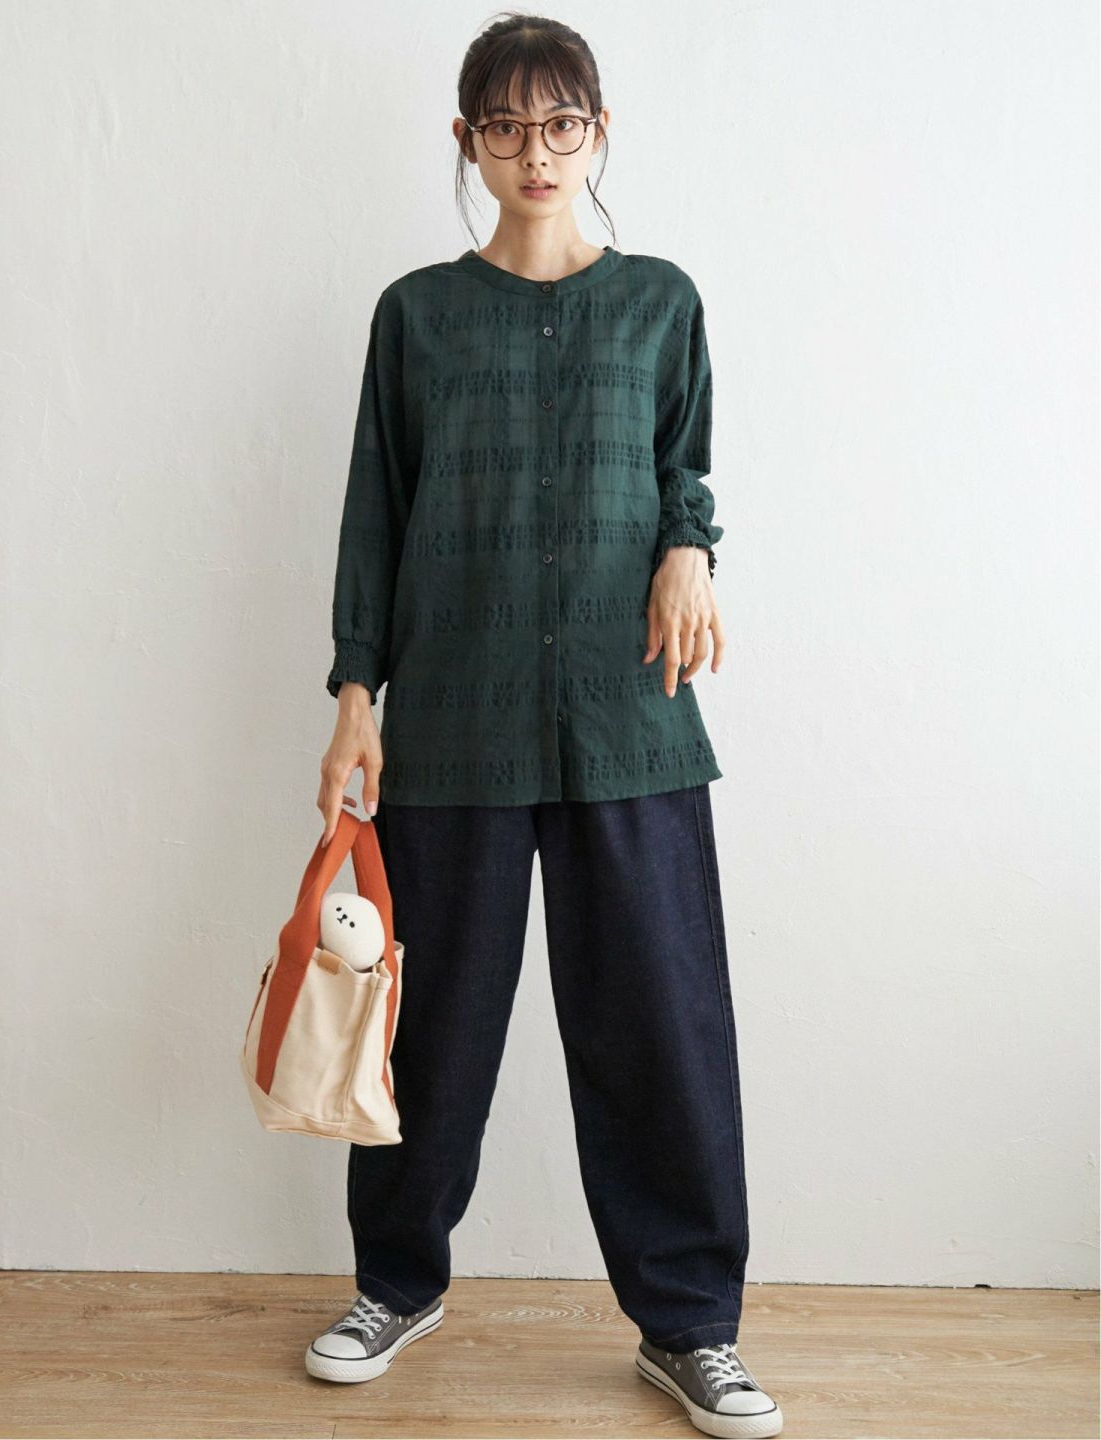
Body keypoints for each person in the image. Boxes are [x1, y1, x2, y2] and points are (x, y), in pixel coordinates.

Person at [303, 14, 783, 1437]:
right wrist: (354, 696)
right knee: (432, 1028)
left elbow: (686, 459)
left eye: (560, 123)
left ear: (599, 132)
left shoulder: (661, 303)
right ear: (467, 142)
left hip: (630, 720)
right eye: (505, 127)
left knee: (662, 1028)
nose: (535, 152)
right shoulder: (417, 316)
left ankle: (690, 1328)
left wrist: (690, 546)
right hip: (454, 717)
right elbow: (377, 510)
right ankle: (395, 1283)